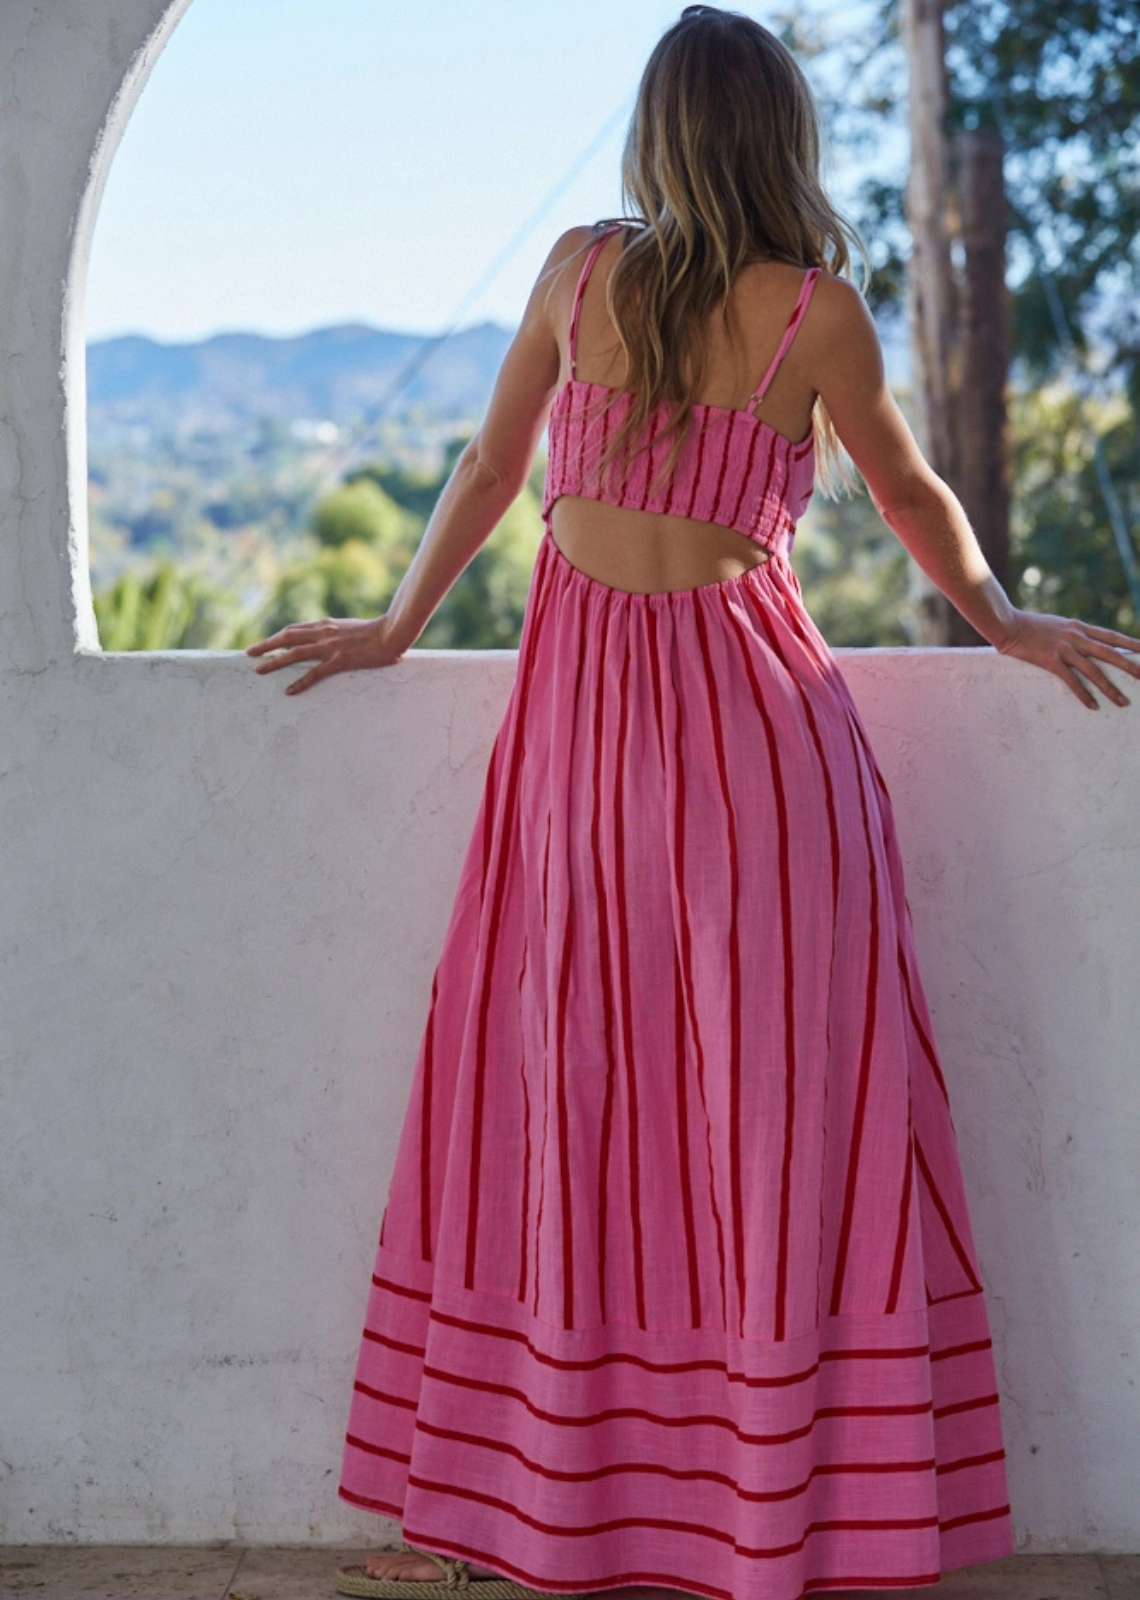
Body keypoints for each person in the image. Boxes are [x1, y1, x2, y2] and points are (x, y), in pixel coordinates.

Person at [246, 9, 1140, 1600]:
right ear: (782, 136)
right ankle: (772, 1506)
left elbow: (488, 471)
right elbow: (910, 493)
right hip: (763, 751)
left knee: (565, 1092)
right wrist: (1002, 617)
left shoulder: (577, 273)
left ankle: (558, 1499)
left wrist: (393, 627)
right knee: (770, 1103)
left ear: (658, 134)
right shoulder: (815, 312)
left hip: (587, 747)